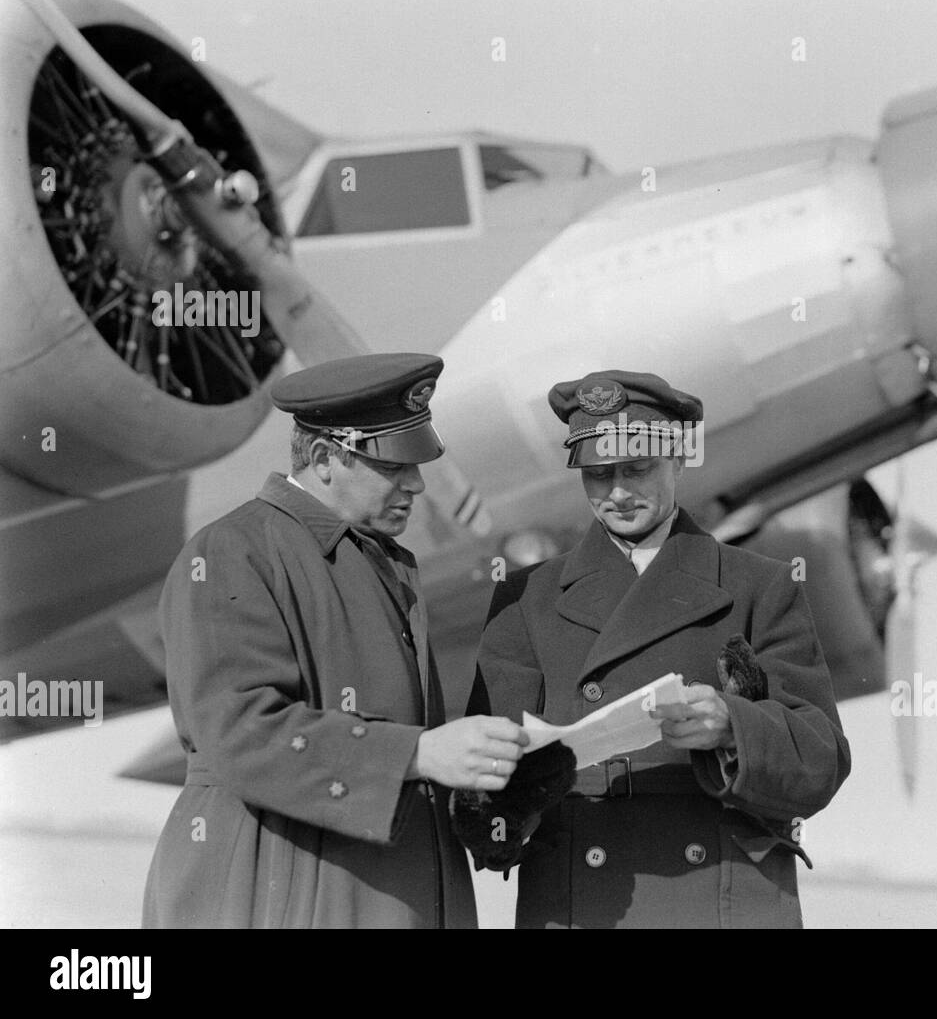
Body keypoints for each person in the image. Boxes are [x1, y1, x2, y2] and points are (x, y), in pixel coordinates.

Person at [142, 353, 528, 928]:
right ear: (325, 458)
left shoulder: (379, 561)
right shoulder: (232, 552)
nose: (417, 483)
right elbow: (238, 731)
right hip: (277, 893)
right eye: (395, 465)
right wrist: (420, 753)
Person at [467, 370, 851, 928]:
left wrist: (732, 728)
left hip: (720, 894)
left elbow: (821, 763)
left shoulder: (761, 585)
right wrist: (506, 800)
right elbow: (485, 793)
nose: (618, 492)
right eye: (598, 474)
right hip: (586, 896)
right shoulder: (526, 598)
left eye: (638, 468)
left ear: (678, 458)